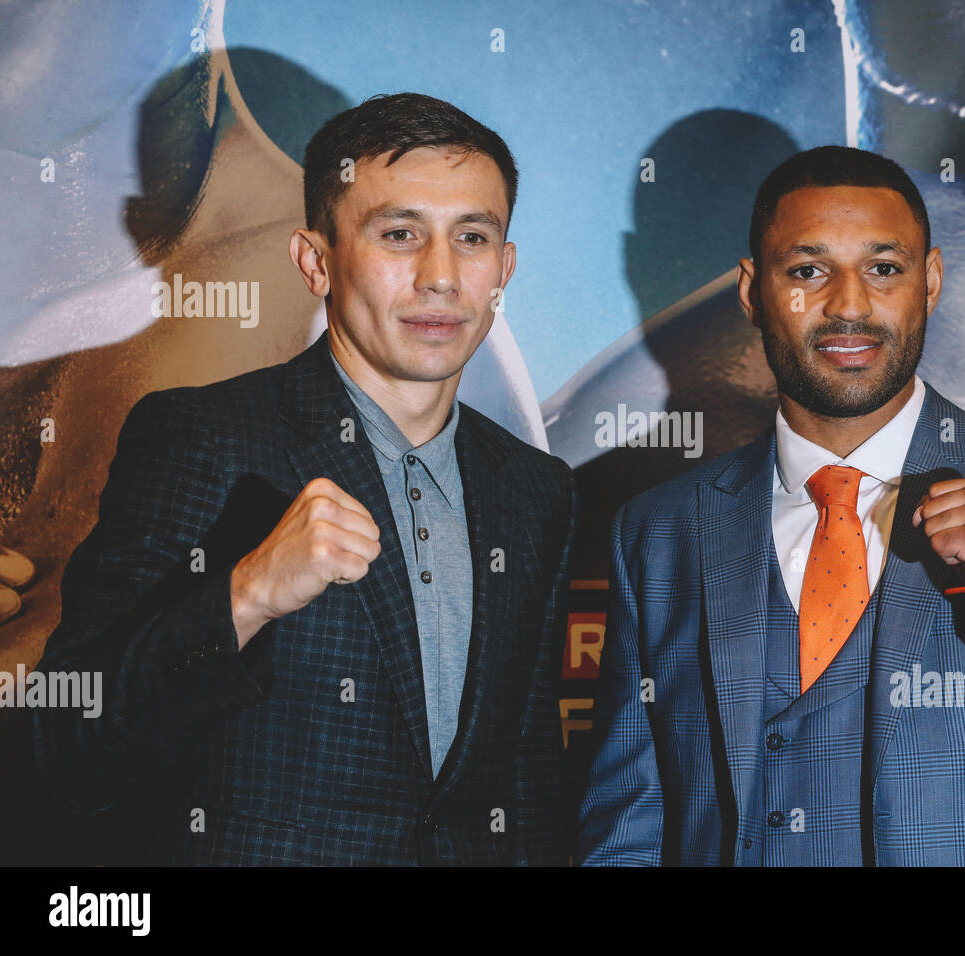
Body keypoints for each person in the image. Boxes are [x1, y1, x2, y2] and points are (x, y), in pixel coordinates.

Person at [577, 146, 965, 866]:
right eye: (807, 271)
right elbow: (624, 833)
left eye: (884, 269)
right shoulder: (657, 531)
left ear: (930, 282)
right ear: (752, 292)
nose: (849, 305)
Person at [29, 93, 576, 865]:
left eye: (472, 237)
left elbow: (526, 775)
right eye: (399, 234)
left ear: (504, 267)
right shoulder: (204, 437)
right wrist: (247, 594)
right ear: (316, 261)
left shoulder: (535, 489)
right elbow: (71, 750)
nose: (441, 277)